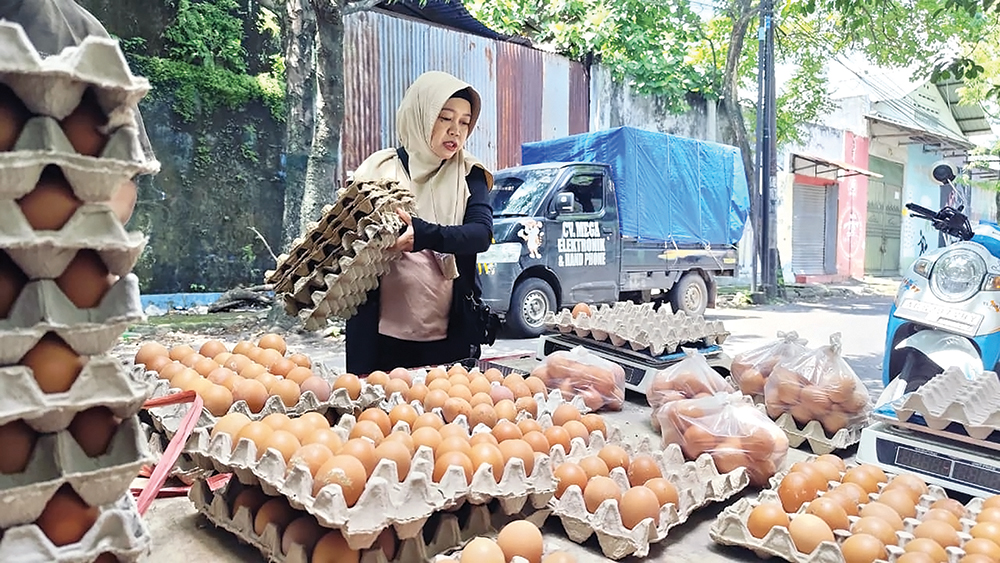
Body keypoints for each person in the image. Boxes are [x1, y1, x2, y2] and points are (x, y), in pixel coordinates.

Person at [346, 71, 494, 374]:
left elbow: (481, 234)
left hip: (447, 337)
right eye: (445, 118)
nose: (456, 131)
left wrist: (424, 234)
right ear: (420, 115)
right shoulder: (378, 170)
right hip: (379, 338)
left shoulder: (469, 174)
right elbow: (347, 240)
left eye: (464, 122)